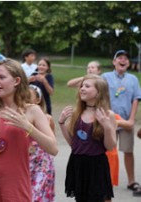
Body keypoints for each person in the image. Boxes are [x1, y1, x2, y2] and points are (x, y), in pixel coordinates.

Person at [0, 59, 58, 201]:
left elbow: (53, 149)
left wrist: (28, 128)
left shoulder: (32, 110)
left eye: (1, 77)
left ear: (16, 81)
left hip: (16, 185)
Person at [59, 74, 116, 202]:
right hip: (77, 163)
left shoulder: (107, 114)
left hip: (96, 165)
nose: (82, 89)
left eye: (87, 86)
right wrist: (61, 123)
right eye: (82, 86)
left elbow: (110, 146)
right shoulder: (77, 113)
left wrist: (107, 127)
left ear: (98, 93)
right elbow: (73, 144)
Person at [102, 50, 141, 193]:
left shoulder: (133, 79)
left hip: (125, 121)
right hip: (109, 120)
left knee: (128, 150)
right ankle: (105, 179)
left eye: (125, 58)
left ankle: (131, 181)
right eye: (119, 58)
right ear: (114, 62)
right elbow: (100, 95)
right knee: (107, 151)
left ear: (128, 63)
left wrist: (131, 119)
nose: (122, 60)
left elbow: (136, 99)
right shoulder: (105, 77)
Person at [28, 84, 55, 201]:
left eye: (28, 97)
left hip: (42, 162)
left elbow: (52, 142)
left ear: (38, 99)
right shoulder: (19, 117)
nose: (24, 100)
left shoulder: (47, 119)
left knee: (38, 194)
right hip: (26, 160)